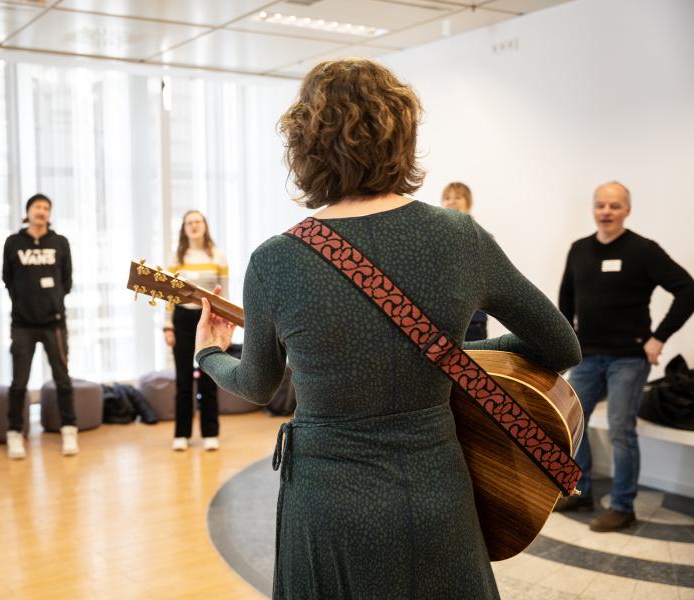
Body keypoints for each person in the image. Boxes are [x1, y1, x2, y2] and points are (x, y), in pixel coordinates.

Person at [191, 59, 580, 599]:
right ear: (402, 136)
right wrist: (448, 351)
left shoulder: (275, 260)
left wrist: (209, 354)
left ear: (304, 146)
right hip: (437, 493)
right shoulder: (459, 236)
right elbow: (561, 346)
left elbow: (258, 384)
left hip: (328, 505)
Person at [557, 181, 693, 531]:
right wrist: (566, 344)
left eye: (615, 206)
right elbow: (566, 301)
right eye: (601, 205)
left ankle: (622, 506)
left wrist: (658, 338)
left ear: (627, 210)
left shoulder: (643, 250)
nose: (607, 211)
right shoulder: (579, 249)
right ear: (593, 209)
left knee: (620, 429)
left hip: (629, 359)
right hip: (587, 356)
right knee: (571, 424)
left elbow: (687, 289)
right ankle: (580, 491)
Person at [2, 193, 77, 459]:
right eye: (37, 207)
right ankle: (14, 433)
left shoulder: (60, 242)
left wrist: (51, 301)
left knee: (62, 379)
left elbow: (67, 281)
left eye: (46, 207)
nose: (41, 211)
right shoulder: (13, 242)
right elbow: (7, 279)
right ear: (28, 211)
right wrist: (25, 301)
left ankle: (69, 428)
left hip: (54, 324)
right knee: (19, 382)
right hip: (22, 324)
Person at [163, 210, 229, 452]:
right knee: (183, 379)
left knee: (209, 376)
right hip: (181, 318)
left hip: (208, 317)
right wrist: (168, 326)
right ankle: (182, 434)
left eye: (197, 221)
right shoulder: (177, 257)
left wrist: (224, 321)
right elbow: (169, 295)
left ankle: (210, 433)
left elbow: (225, 294)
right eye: (189, 223)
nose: (193, 226)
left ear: (205, 225)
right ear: (184, 228)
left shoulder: (218, 256)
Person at [441, 181, 488, 341]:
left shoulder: (481, 235)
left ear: (468, 202)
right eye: (447, 198)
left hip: (473, 320)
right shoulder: (435, 235)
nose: (452, 201)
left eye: (458, 197)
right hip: (442, 319)